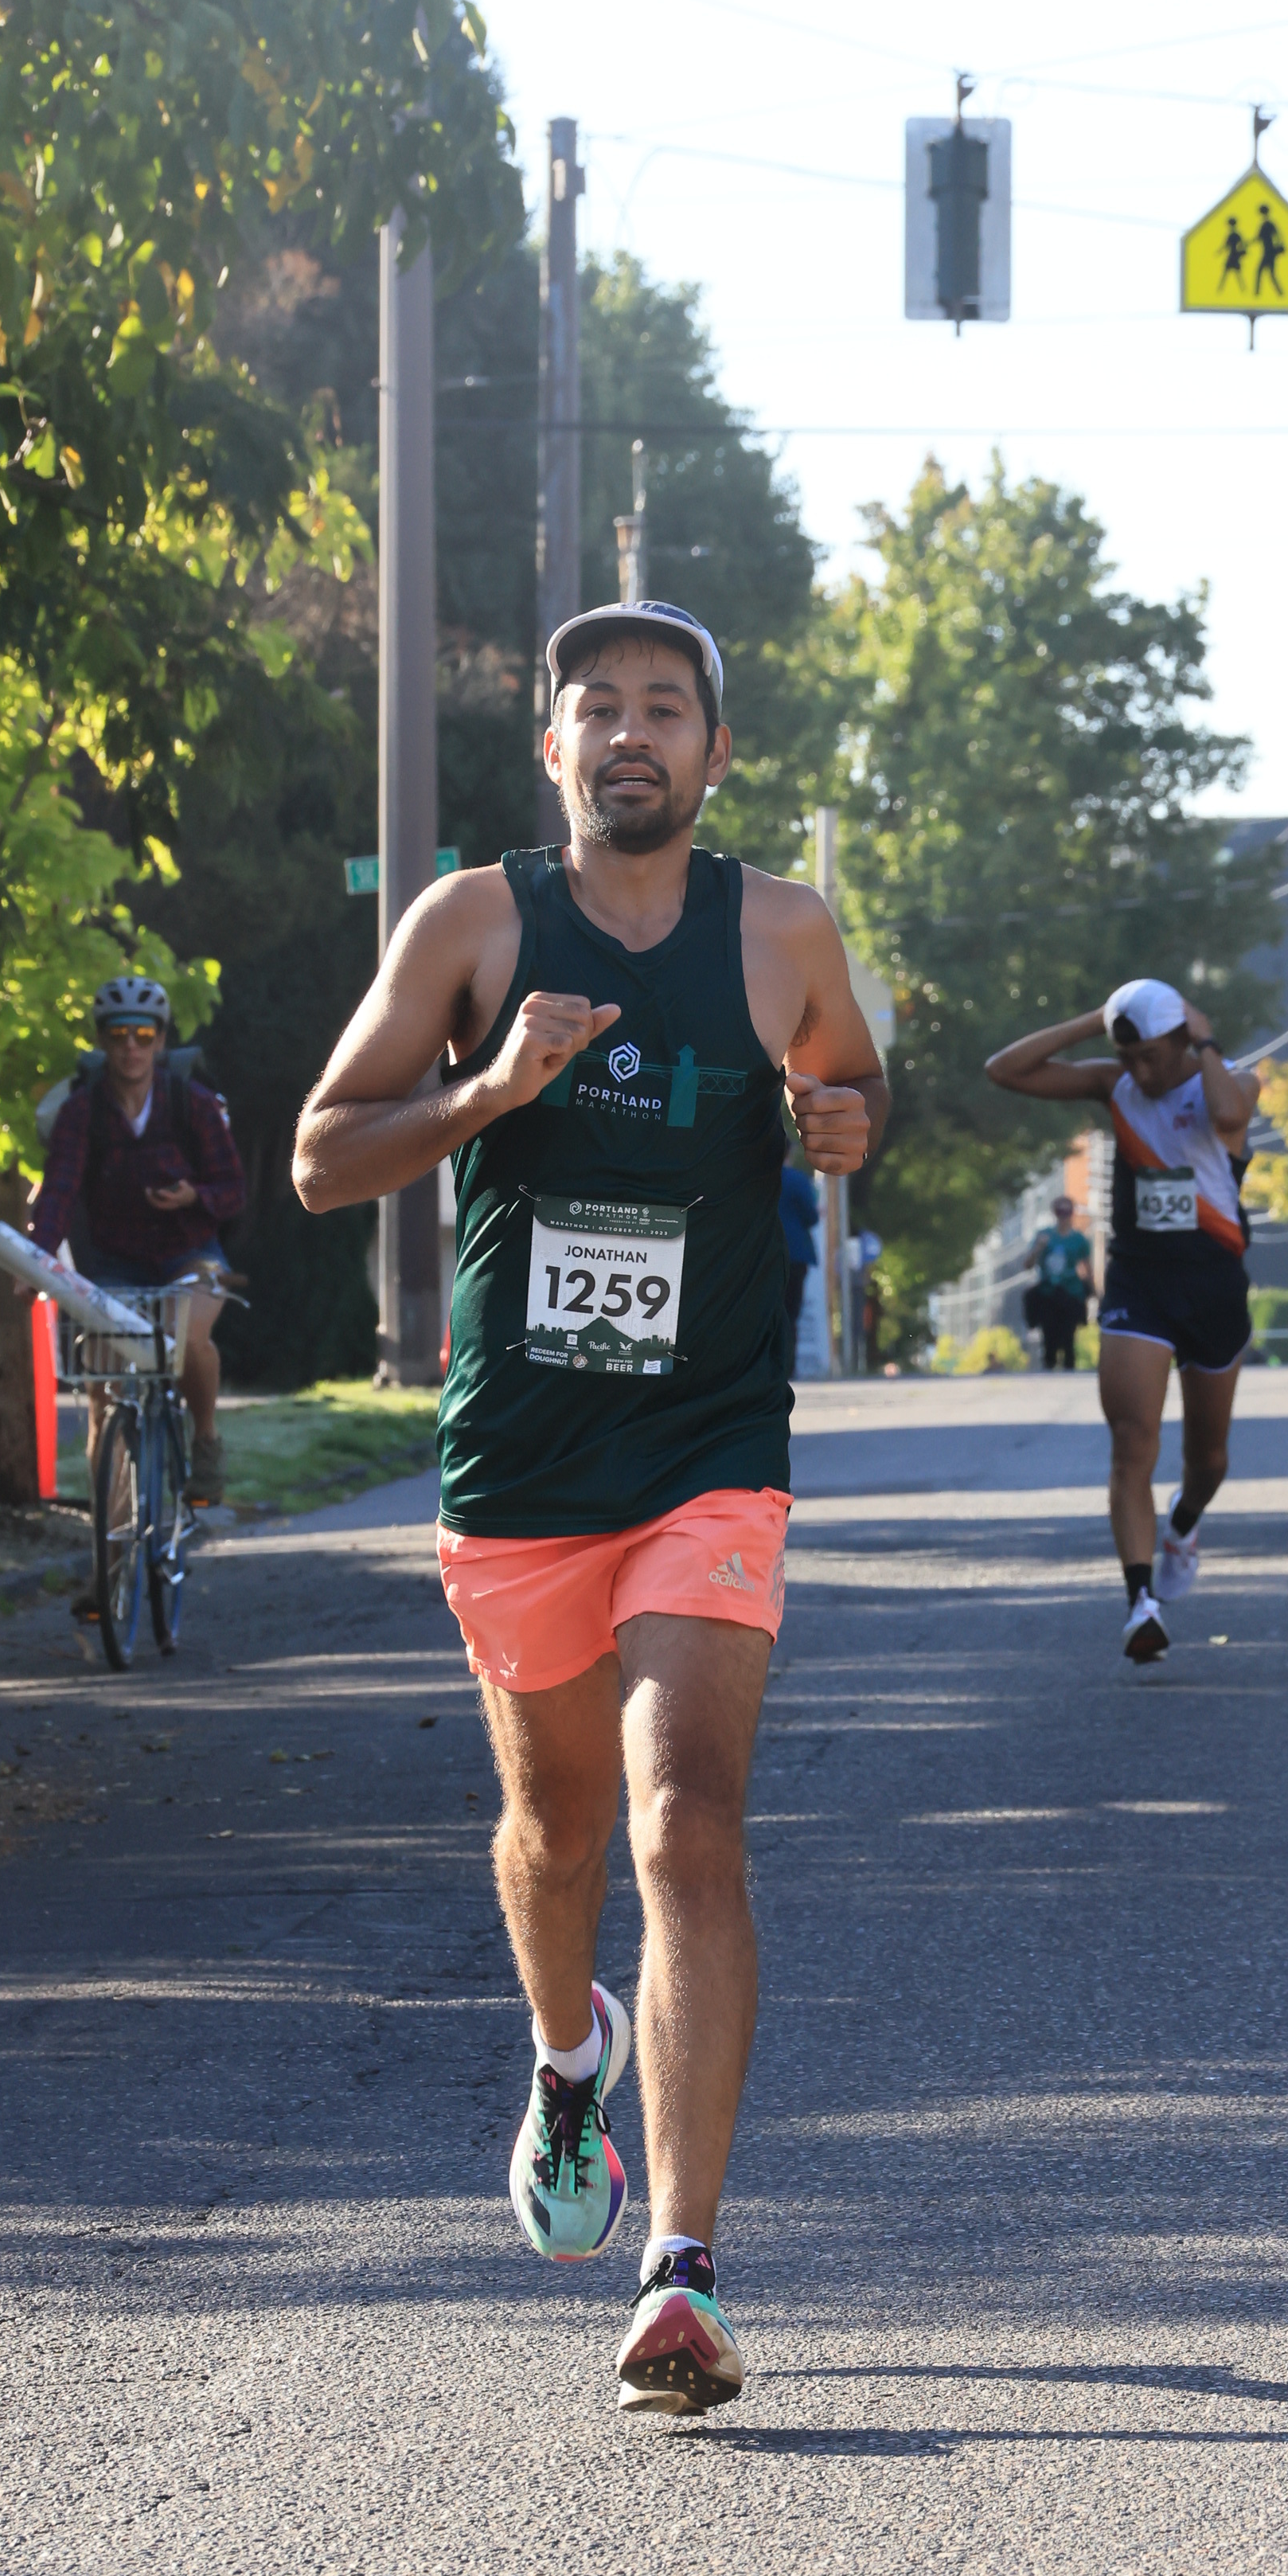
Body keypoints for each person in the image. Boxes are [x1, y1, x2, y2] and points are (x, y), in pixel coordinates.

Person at [293, 596, 888, 2417]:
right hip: (525, 1464)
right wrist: (487, 1089)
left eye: (665, 708)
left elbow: (851, 1077)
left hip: (707, 1448)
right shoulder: (470, 925)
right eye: (599, 708)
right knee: (552, 1834)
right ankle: (570, 2059)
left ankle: (680, 2272)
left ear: (713, 751)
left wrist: (847, 1121)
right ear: (551, 747)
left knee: (682, 1824)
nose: (632, 733)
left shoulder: (781, 930)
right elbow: (319, 1157)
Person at [986, 978, 1260, 1664]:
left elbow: (1228, 1113)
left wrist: (1205, 1041)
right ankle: (1141, 1602)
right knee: (1132, 1441)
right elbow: (1005, 1070)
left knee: (1208, 1459)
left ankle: (1184, 1524)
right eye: (1127, 1056)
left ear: (1182, 1039)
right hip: (1141, 1283)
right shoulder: (1116, 1085)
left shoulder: (1230, 1080)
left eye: (1150, 1056)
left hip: (1213, 1285)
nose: (1140, 1071)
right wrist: (1099, 1018)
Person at [29, 975, 245, 1504]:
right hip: (114, 1262)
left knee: (186, 1337)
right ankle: (113, 1541)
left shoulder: (192, 1104)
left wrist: (195, 1196)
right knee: (102, 1386)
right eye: (118, 1034)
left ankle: (205, 1440)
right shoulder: (81, 1112)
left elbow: (233, 1190)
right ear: (102, 1041)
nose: (131, 1046)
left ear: (161, 1040)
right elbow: (58, 1192)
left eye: (143, 1035)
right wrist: (36, 1260)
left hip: (190, 1254)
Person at [1024, 1195, 1095, 1371]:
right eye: (1060, 1212)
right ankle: (1049, 1365)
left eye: (1067, 1212)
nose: (1063, 1216)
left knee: (1068, 1336)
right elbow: (1027, 1265)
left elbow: (1087, 1267)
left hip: (1070, 1293)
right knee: (1049, 1336)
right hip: (1048, 1292)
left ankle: (1069, 1368)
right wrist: (1038, 1248)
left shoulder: (1079, 1239)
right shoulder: (1044, 1236)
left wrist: (1093, 1292)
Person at [779, 1153, 820, 1378]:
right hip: (795, 1253)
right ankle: (788, 1366)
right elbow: (811, 1216)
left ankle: (764, 1366)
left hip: (762, 1252)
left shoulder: (753, 1178)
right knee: (791, 1312)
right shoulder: (797, 1180)